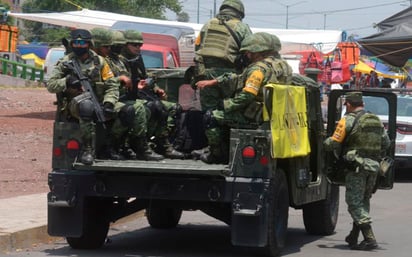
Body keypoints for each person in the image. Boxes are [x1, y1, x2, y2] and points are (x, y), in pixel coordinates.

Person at [195, 32, 293, 164]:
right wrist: (214, 82)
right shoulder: (283, 66)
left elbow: (248, 95)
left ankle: (216, 154)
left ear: (258, 51)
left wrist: (228, 104)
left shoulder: (258, 68)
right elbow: (239, 78)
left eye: (249, 52)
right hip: (274, 115)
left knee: (211, 117)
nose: (247, 55)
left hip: (255, 116)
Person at [324, 92, 390, 251]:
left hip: (356, 168)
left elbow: (332, 143)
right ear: (362, 104)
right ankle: (353, 236)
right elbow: (386, 143)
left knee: (354, 203)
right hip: (373, 168)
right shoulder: (376, 121)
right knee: (363, 201)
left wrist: (323, 142)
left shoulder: (347, 120)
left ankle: (369, 238)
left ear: (347, 104)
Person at [46, 28, 120, 165]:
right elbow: (50, 85)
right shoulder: (65, 62)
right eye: (76, 43)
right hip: (74, 104)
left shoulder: (101, 62)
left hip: (98, 100)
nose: (79, 46)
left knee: (128, 111)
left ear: (89, 44)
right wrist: (66, 81)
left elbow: (112, 85)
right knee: (87, 107)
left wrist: (109, 103)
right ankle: (88, 149)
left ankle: (115, 147)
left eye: (82, 43)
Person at [89, 27, 163, 161]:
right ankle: (115, 147)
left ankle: (131, 145)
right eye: (110, 46)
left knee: (152, 107)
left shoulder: (114, 61)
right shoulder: (97, 61)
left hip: (114, 97)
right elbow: (104, 82)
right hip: (99, 100)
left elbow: (113, 81)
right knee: (134, 109)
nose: (112, 49)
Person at [121, 30, 185, 159]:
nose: (138, 48)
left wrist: (156, 89)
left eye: (140, 45)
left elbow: (145, 77)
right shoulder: (120, 61)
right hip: (127, 97)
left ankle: (162, 142)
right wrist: (135, 86)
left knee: (172, 108)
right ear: (125, 45)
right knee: (152, 107)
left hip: (141, 94)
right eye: (134, 45)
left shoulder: (137, 59)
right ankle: (139, 144)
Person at [194, 0, 252, 111]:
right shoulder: (242, 28)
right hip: (231, 76)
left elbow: (197, 48)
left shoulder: (207, 25)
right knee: (228, 112)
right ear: (239, 12)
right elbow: (250, 52)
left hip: (206, 74)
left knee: (209, 115)